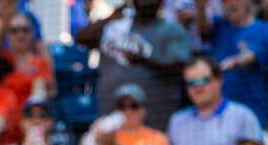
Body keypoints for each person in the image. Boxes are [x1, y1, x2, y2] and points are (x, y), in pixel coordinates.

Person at [77, 0, 190, 132]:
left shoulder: (171, 29)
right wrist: (110, 18)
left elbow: (179, 65)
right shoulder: (115, 27)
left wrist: (144, 61)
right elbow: (81, 39)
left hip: (155, 119)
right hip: (110, 115)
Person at [198, 0, 268, 124]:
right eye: (226, 1)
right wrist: (200, 6)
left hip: (251, 107)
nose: (231, 3)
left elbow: (250, 57)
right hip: (218, 109)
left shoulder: (264, 28)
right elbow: (203, 28)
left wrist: (230, 63)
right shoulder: (220, 25)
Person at [0, 13, 54, 104]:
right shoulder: (1, 59)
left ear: (32, 33)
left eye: (25, 30)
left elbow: (49, 91)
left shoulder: (41, 62)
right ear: (8, 35)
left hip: (30, 113)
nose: (20, 35)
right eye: (14, 31)